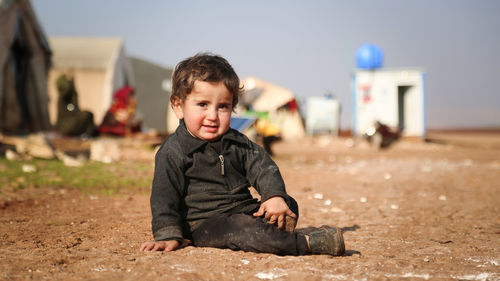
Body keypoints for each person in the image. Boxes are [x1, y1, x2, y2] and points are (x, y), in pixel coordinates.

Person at [140, 53, 345, 256]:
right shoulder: (173, 151)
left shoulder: (236, 142)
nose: (212, 116)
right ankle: (307, 243)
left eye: (223, 107)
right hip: (205, 223)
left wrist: (273, 196)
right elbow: (163, 197)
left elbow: (263, 167)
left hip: (245, 210)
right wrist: (167, 234)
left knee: (287, 204)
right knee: (244, 230)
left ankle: (273, 234)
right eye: (202, 104)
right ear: (178, 106)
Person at [55, 73, 96, 137]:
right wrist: (69, 81)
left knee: (88, 114)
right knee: (86, 114)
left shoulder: (72, 98)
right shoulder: (63, 97)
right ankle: (86, 135)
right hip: (65, 125)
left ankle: (87, 135)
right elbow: (67, 90)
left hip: (72, 123)